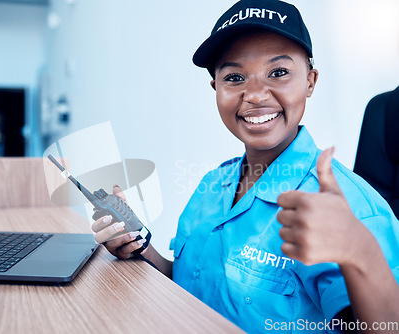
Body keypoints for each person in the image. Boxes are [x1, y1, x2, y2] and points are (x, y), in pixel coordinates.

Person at [91, 1, 399, 333]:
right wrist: (138, 245)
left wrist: (362, 252)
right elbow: (190, 288)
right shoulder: (214, 185)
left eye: (278, 72)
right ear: (216, 89)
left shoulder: (351, 208)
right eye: (235, 77)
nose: (254, 94)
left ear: (310, 82)